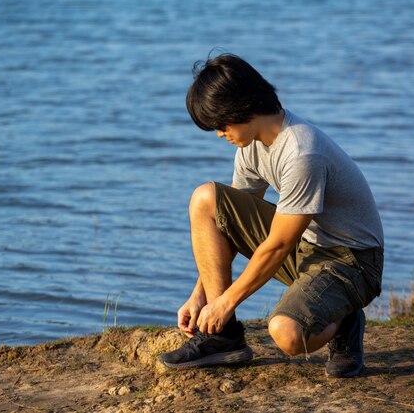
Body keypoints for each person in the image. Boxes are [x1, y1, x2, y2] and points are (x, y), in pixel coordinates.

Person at [158, 53, 384, 378]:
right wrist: (201, 297)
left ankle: (345, 319)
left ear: (241, 108)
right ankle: (223, 338)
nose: (220, 134)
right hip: (306, 246)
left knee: (286, 334)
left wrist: (224, 304)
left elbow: (277, 246)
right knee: (206, 200)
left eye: (221, 124)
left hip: (353, 261)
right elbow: (228, 228)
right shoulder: (249, 146)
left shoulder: (302, 153)